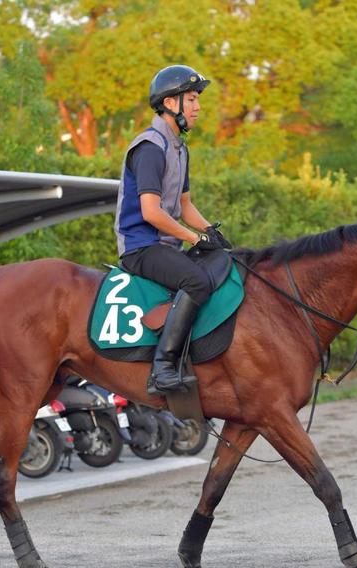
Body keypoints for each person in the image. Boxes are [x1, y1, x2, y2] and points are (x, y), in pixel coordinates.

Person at [114, 64, 230, 395]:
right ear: (170, 103)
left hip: (165, 247)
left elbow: (185, 206)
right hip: (141, 247)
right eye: (191, 100)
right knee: (196, 281)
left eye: (197, 100)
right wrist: (195, 238)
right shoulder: (150, 147)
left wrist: (213, 233)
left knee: (222, 265)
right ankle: (162, 368)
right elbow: (151, 212)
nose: (198, 107)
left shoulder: (180, 147)